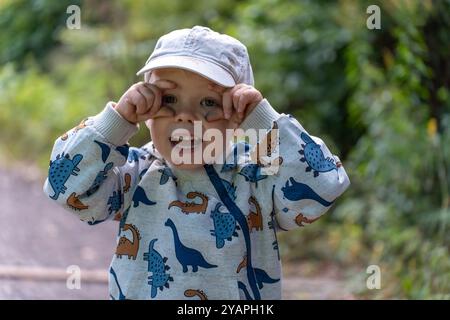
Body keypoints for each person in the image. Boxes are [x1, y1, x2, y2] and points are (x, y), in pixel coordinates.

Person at [43, 26, 350, 300]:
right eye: (169, 100)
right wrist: (115, 122)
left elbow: (322, 186)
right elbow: (65, 188)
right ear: (147, 111)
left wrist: (263, 122)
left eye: (209, 103)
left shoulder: (256, 173)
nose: (186, 117)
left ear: (237, 115)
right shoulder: (135, 172)